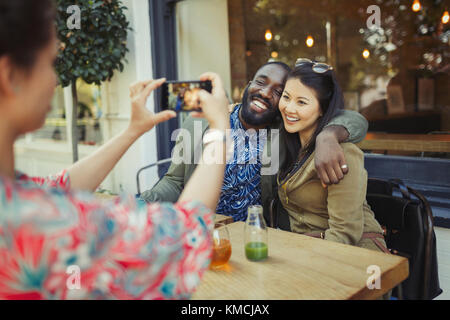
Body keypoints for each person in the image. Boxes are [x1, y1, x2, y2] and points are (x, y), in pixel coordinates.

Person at [0, 0, 231, 299]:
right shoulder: (38, 223)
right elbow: (181, 239)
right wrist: (221, 129)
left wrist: (132, 131)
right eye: (50, 63)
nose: (55, 80)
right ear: (11, 77)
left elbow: (57, 187)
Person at [141, 62, 369, 222]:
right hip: (205, 228)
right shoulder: (201, 124)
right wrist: (142, 204)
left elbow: (355, 120)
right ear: (249, 85)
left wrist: (328, 135)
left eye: (279, 92)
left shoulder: (286, 132)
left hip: (258, 234)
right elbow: (174, 181)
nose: (265, 93)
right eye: (261, 82)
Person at [275, 59, 388, 253]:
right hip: (309, 248)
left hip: (355, 255)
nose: (289, 108)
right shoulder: (292, 145)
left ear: (322, 110)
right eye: (286, 97)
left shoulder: (340, 153)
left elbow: (344, 234)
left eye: (301, 102)